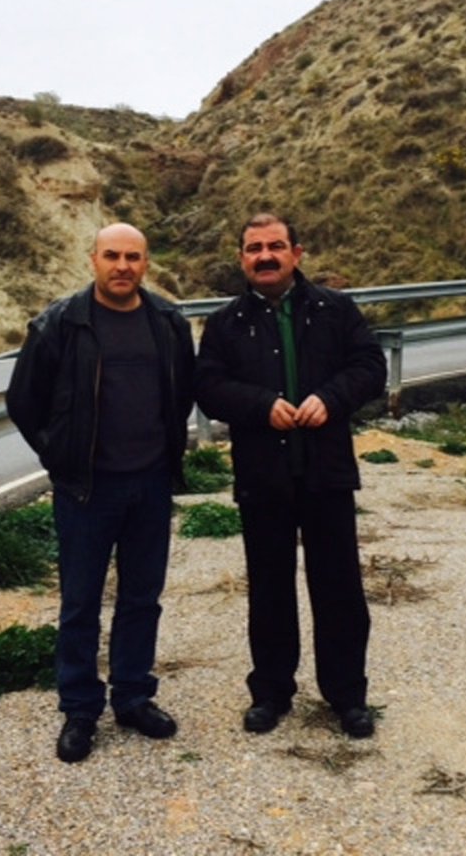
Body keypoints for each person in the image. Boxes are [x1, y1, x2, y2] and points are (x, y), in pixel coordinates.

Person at [7, 222, 195, 763]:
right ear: (92, 259)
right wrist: (60, 456)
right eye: (112, 255)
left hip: (150, 485)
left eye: (133, 257)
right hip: (86, 490)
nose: (122, 266)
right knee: (80, 602)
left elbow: (181, 394)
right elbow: (24, 402)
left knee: (142, 598)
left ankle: (133, 697)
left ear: (146, 263)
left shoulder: (168, 322)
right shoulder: (60, 324)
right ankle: (80, 709)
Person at [195, 213, 386, 739]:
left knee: (340, 588)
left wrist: (331, 398)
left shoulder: (336, 309)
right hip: (263, 478)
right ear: (242, 259)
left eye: (275, 246)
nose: (265, 256)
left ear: (296, 253)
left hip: (327, 473)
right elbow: (207, 387)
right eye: (254, 248)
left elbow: (371, 367)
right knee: (269, 590)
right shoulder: (225, 323)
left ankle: (347, 696)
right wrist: (260, 405)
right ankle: (271, 693)